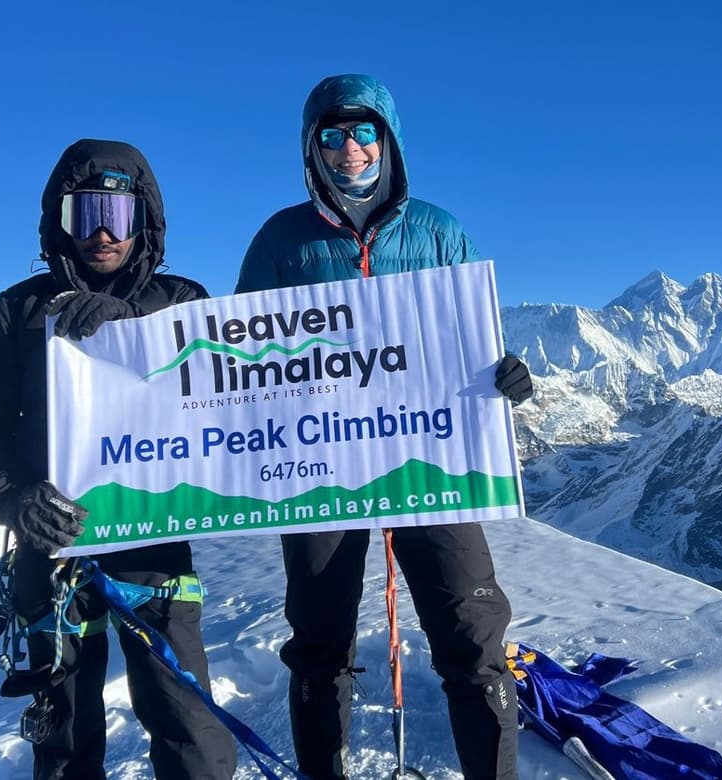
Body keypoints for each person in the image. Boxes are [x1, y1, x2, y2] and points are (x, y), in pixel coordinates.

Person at [235, 74, 534, 780]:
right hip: (320, 464)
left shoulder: (439, 231)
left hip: (432, 457)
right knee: (319, 643)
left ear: (389, 140)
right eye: (333, 135)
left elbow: (472, 337)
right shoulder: (282, 240)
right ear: (312, 147)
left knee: (472, 635)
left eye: (365, 132)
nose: (351, 149)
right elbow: (243, 356)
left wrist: (505, 374)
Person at [0, 138, 238, 780]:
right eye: (84, 214)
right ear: (59, 221)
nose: (102, 233)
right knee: (65, 736)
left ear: (145, 220)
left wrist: (132, 327)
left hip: (154, 541)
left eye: (118, 214)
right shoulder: (19, 311)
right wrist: (11, 497)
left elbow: (227, 401)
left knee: (187, 722)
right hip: (51, 545)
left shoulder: (183, 301)